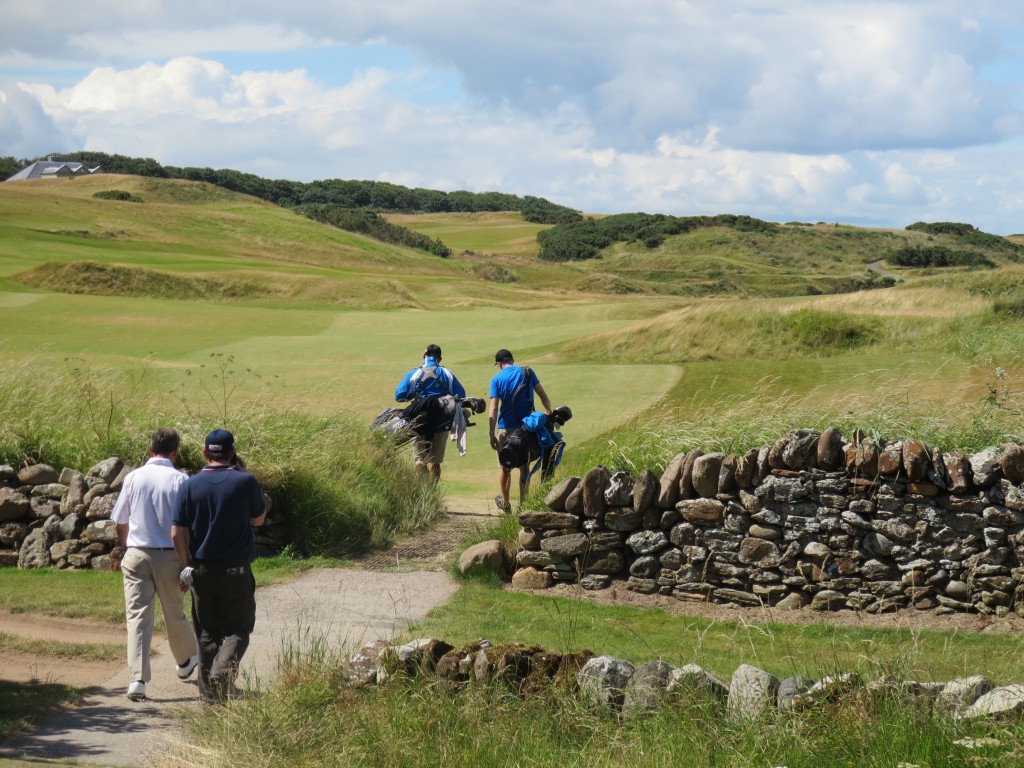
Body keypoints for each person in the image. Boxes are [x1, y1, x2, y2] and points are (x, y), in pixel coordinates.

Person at [171, 429, 266, 702]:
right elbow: (258, 519)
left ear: (205, 453)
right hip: (236, 568)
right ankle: (222, 673)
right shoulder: (244, 481)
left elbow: (177, 532)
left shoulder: (189, 485)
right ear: (232, 453)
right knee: (239, 626)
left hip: (201, 569)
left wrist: (186, 565)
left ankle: (210, 697)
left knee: (207, 633)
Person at [110, 427, 199, 702]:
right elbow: (187, 526)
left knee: (137, 617)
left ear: (150, 450)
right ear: (175, 451)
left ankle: (137, 679)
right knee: (174, 612)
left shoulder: (134, 477)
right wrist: (187, 563)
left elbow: (120, 519)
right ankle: (186, 659)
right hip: (170, 554)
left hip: (137, 552)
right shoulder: (181, 479)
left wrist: (128, 547)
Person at [488, 348, 552, 512]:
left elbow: (494, 409)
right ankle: (524, 507)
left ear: (499, 364)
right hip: (525, 429)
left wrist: (491, 434)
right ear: (512, 360)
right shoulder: (528, 372)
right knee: (524, 467)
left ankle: (507, 503)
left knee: (505, 467)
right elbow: (544, 397)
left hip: (505, 429)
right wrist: (548, 413)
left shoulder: (496, 379)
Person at [393, 343, 466, 482]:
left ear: (424, 356)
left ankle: (422, 491)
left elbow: (399, 396)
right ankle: (432, 492)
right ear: (440, 358)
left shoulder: (414, 373)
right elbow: (460, 394)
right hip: (441, 421)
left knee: (420, 461)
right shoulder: (447, 373)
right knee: (435, 461)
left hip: (419, 421)